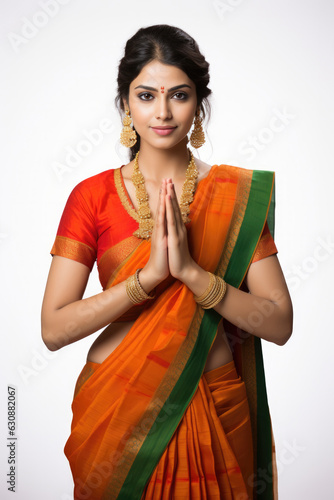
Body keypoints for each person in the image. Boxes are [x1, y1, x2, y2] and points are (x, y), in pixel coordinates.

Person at [41, 24, 293, 500]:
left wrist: (196, 276)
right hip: (119, 412)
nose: (161, 112)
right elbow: (53, 329)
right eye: (145, 95)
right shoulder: (91, 197)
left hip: (215, 402)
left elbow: (279, 324)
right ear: (125, 105)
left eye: (178, 95)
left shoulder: (236, 198)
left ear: (198, 104)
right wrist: (149, 278)